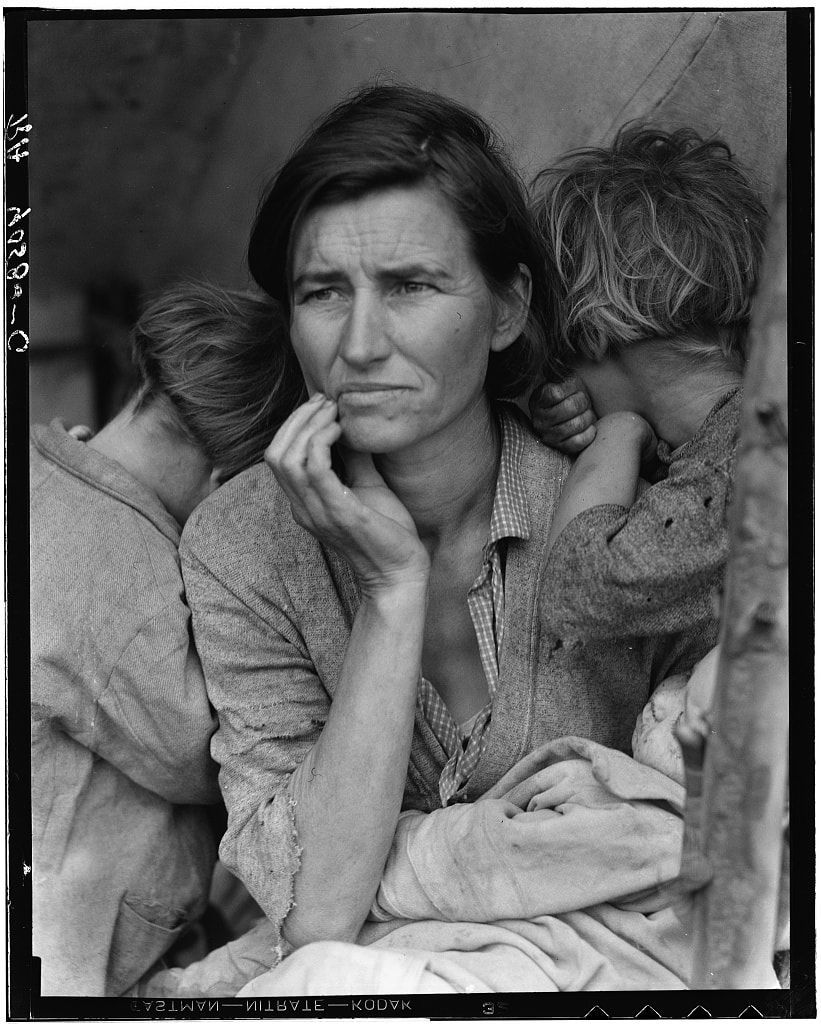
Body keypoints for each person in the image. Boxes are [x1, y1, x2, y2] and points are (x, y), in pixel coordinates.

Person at [178, 85, 718, 983]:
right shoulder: (239, 546)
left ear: (506, 308)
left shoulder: (613, 504)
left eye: (408, 287)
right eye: (322, 293)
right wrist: (391, 592)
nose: (358, 344)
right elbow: (316, 906)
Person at [30, 282, 301, 995]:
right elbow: (231, 756)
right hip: (54, 968)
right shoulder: (127, 583)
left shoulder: (33, 468)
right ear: (229, 483)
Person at [528, 124, 767, 641]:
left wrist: (618, 433)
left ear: (589, 332)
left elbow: (576, 593)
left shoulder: (740, 469)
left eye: (556, 359)